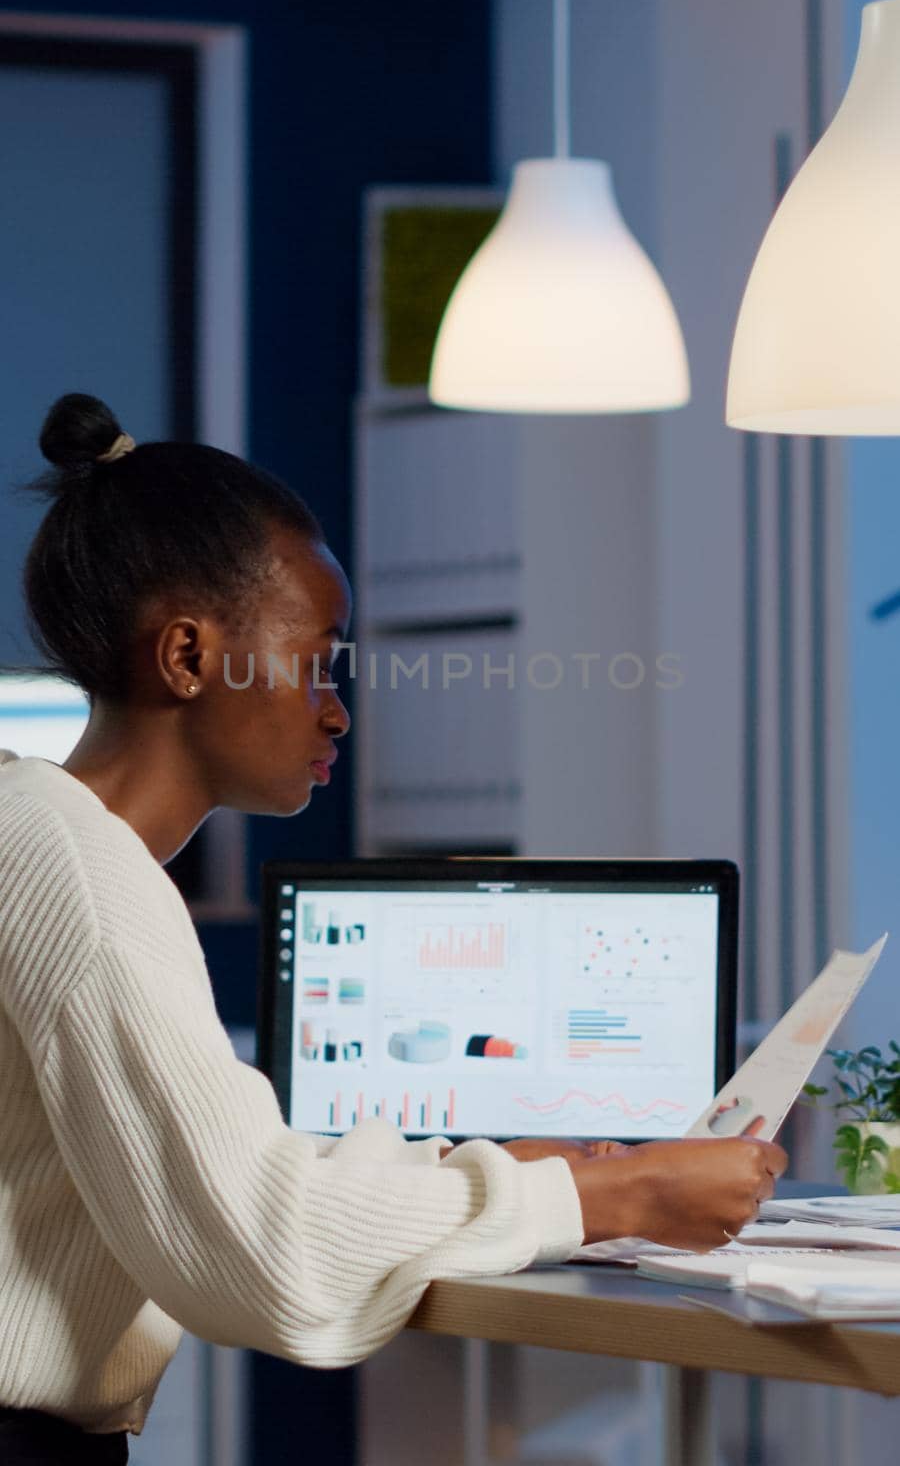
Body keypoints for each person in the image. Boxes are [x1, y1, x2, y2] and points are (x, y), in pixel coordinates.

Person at [0, 394, 787, 1463]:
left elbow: (235, 1170)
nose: (338, 711)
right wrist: (616, 1190)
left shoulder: (39, 831)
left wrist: (495, 1165)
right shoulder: (83, 876)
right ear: (187, 655)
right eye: (318, 660)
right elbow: (266, 1249)